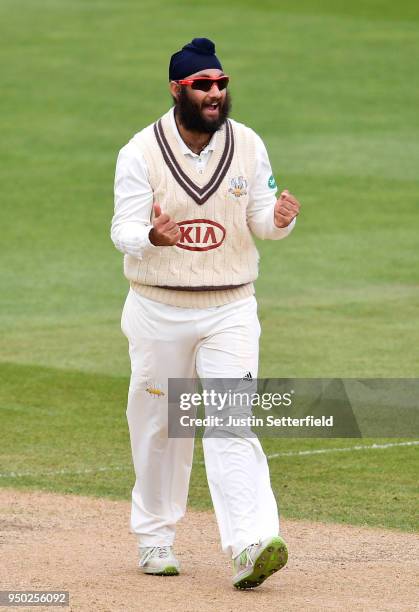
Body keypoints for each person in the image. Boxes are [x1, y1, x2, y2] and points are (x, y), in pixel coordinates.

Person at [111, 37, 300, 590]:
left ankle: (251, 543)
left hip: (231, 307)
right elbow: (121, 230)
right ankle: (155, 539)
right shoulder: (139, 152)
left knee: (229, 424)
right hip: (157, 307)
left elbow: (260, 218)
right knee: (158, 429)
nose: (216, 93)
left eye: (222, 84)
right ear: (177, 89)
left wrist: (281, 218)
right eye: (203, 85)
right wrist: (152, 235)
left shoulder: (248, 144)